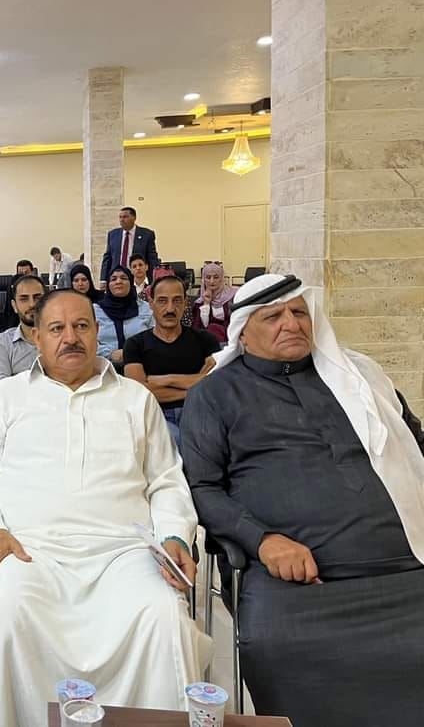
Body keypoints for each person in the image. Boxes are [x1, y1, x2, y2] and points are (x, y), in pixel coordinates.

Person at [0, 289, 211, 727]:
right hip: (29, 551)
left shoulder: (134, 398)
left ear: (96, 333)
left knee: (163, 614)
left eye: (81, 326)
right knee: (6, 609)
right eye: (57, 328)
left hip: (123, 553)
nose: (70, 337)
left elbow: (166, 481)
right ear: (36, 337)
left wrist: (173, 535)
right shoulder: (6, 397)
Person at [179, 273, 424, 727]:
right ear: (243, 334)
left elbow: (415, 446)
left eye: (298, 312)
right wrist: (263, 540)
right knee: (280, 643)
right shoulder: (214, 395)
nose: (291, 324)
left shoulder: (359, 379)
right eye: (273, 317)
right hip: (300, 580)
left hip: (407, 562)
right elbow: (202, 488)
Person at [123, 274, 219, 445]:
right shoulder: (135, 344)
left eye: (177, 300)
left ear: (185, 303)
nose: (170, 308)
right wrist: (195, 387)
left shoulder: (206, 340)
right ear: (151, 303)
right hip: (155, 416)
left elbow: (215, 387)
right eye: (162, 301)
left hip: (199, 413)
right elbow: (139, 394)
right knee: (175, 441)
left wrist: (164, 380)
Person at [0, 274, 44, 387]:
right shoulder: (2, 343)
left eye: (37, 297)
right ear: (14, 306)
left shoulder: (63, 339)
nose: (32, 304)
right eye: (24, 299)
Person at [94, 266, 153, 367]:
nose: (118, 281)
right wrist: (110, 354)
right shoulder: (95, 310)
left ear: (131, 282)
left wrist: (131, 353)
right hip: (104, 367)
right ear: (108, 285)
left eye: (123, 278)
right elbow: (88, 341)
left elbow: (155, 337)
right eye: (113, 279)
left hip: (142, 365)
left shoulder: (146, 308)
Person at [100, 206, 159, 284]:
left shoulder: (147, 234)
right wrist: (103, 279)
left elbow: (152, 258)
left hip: (137, 277)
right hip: (117, 277)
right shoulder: (113, 234)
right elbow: (107, 258)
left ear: (134, 218)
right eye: (120, 217)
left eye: (125, 217)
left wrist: (155, 279)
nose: (122, 220)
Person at [192, 261, 235, 344]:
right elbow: (202, 326)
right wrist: (206, 303)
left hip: (229, 340)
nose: (212, 281)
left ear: (221, 279)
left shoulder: (231, 297)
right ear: (203, 280)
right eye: (208, 277)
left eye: (216, 277)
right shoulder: (199, 303)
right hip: (208, 343)